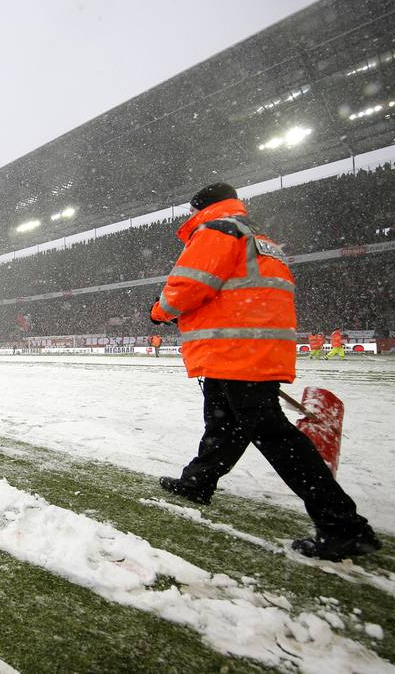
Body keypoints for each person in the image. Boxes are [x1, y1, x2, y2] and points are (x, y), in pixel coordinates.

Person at [150, 182, 379, 562]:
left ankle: (343, 525)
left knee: (271, 432)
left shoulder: (216, 231)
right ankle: (198, 482)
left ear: (201, 208)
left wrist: (159, 311)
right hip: (252, 345)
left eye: (192, 211)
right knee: (224, 423)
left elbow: (187, 286)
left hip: (237, 348)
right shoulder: (258, 239)